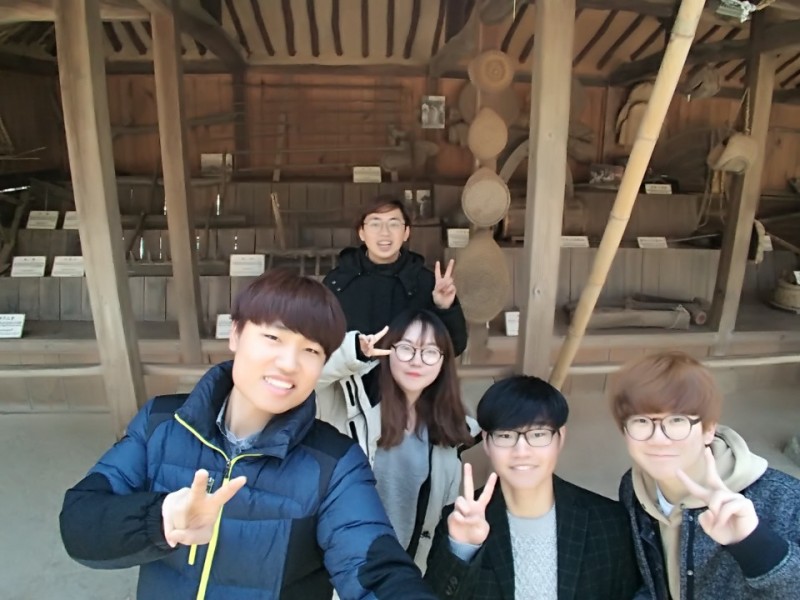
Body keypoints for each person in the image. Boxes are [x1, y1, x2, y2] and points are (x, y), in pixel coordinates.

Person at [59, 269, 437, 600]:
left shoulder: (335, 464)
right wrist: (161, 519)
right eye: (273, 338)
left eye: (311, 350)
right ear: (236, 334)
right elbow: (80, 522)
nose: (288, 363)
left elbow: (376, 570)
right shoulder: (161, 424)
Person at [425, 376, 641, 599]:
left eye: (538, 435)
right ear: (487, 442)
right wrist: (462, 549)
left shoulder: (609, 522)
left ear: (560, 438)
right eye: (506, 436)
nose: (522, 451)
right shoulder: (459, 522)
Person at [609, 350, 800, 600]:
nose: (658, 439)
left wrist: (753, 542)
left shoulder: (783, 499)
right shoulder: (634, 489)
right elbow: (652, 582)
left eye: (677, 421)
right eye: (642, 421)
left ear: (709, 429)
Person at [316, 308, 476, 572]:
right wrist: (351, 353)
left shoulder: (451, 430)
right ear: (387, 351)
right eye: (406, 349)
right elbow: (306, 379)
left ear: (443, 362)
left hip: (409, 576)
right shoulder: (348, 403)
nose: (416, 361)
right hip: (345, 574)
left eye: (430, 352)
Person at [323, 195, 468, 356]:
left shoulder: (426, 283)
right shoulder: (337, 282)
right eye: (375, 224)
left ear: (406, 232)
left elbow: (454, 347)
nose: (384, 232)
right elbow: (320, 343)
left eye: (393, 224)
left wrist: (444, 307)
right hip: (351, 372)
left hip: (409, 372)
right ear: (361, 232)